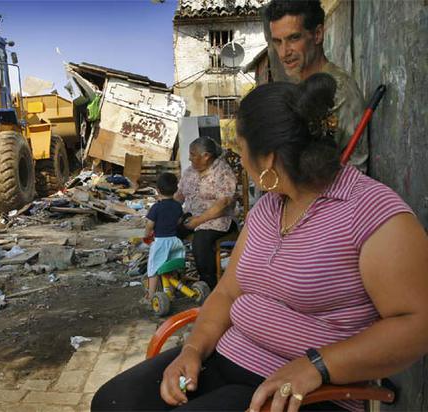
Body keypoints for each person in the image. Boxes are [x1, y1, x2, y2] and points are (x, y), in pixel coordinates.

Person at [91, 74, 428, 412]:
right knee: (112, 402)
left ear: (267, 160)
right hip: (227, 357)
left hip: (306, 391)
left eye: (241, 148)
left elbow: (416, 324)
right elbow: (226, 292)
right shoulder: (269, 206)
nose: (239, 161)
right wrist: (193, 349)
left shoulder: (373, 213)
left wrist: (319, 365)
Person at [265, 0, 368, 172]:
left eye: (293, 38)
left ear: (318, 34)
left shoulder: (337, 89)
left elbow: (314, 165)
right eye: (277, 42)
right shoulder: (300, 84)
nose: (284, 52)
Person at [174, 136, 237, 290]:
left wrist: (199, 220)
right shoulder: (190, 171)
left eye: (193, 154)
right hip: (191, 216)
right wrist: (168, 210)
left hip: (218, 220)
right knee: (168, 229)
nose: (189, 158)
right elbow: (179, 195)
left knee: (201, 240)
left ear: (206, 156)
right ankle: (170, 277)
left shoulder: (222, 171)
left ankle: (208, 286)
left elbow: (223, 203)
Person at [141, 172, 185, 304]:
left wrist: (147, 235)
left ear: (158, 190)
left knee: (153, 269)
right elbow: (178, 222)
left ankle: (150, 295)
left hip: (161, 242)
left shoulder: (156, 207)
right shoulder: (178, 206)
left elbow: (149, 224)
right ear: (176, 189)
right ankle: (171, 290)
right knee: (170, 267)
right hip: (175, 242)